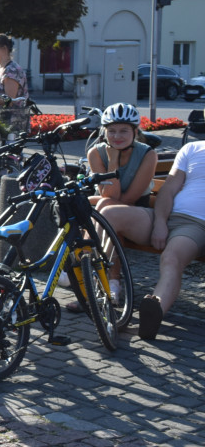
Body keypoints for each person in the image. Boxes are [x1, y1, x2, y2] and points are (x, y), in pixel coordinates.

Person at [101, 138, 205, 341]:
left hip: (194, 226)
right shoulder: (193, 148)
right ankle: (99, 287)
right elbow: (168, 189)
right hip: (165, 215)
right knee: (110, 214)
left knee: (171, 258)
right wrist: (160, 222)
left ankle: (155, 309)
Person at [64, 103, 157, 314]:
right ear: (104, 131)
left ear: (135, 131)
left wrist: (113, 163)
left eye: (124, 130)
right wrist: (112, 160)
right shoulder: (95, 153)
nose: (117, 136)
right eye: (111, 130)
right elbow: (110, 197)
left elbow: (126, 198)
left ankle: (87, 277)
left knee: (104, 207)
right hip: (111, 217)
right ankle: (111, 285)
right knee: (106, 213)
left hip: (140, 215)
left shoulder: (148, 154)